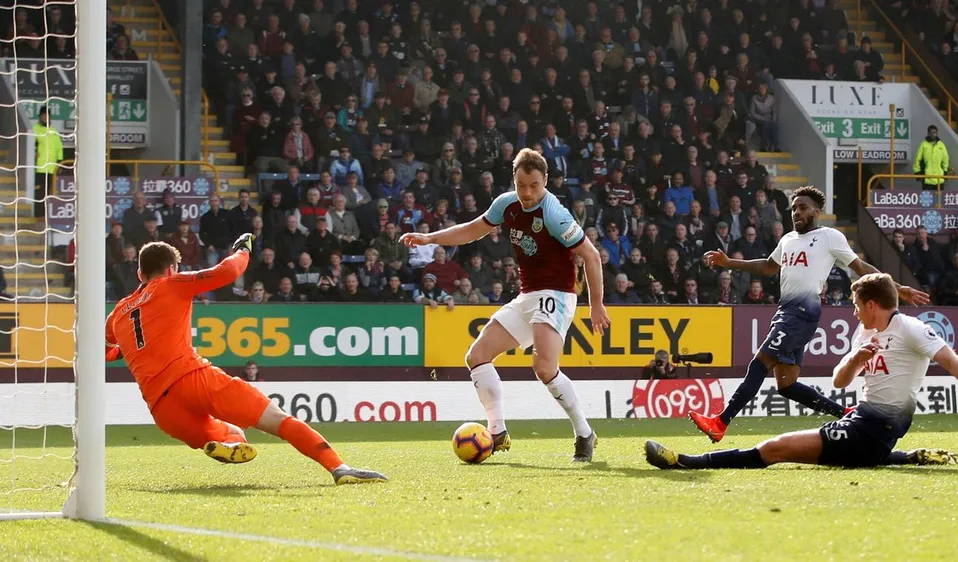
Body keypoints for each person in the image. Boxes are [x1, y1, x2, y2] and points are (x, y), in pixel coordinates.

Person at [104, 235, 386, 485]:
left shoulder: (117, 314)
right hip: (193, 379)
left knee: (231, 434)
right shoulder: (171, 284)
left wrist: (128, 350)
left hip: (162, 408)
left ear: (140, 273)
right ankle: (339, 467)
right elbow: (227, 271)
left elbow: (105, 351)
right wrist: (243, 250)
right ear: (170, 269)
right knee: (278, 420)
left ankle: (228, 446)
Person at [647, 273, 958, 470]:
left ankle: (687, 462)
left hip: (874, 429)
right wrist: (857, 358)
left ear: (871, 305)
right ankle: (906, 456)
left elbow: (951, 359)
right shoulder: (865, 333)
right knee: (825, 450)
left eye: (856, 305)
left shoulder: (910, 329)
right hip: (862, 423)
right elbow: (840, 380)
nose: (853, 312)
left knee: (776, 448)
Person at [400, 148, 610, 462]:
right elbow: (472, 230)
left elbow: (591, 256)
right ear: (514, 180)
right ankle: (497, 432)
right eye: (521, 184)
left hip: (557, 293)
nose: (527, 193)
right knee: (477, 356)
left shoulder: (554, 213)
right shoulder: (505, 204)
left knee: (543, 367)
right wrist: (431, 239)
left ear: (545, 182)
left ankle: (584, 433)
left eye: (534, 185)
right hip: (527, 294)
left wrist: (596, 305)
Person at [690, 186, 930, 443]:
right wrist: (729, 263)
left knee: (759, 364)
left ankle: (721, 422)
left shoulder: (830, 237)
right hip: (787, 311)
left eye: (802, 207)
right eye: (793, 208)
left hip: (801, 312)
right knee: (787, 385)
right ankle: (846, 414)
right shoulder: (788, 239)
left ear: (817, 211)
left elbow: (861, 267)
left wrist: (897, 288)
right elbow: (769, 267)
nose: (796, 212)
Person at [913, 125, 949, 191]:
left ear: (937, 133)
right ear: (928, 133)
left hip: (939, 179)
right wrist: (917, 172)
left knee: (939, 200)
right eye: (931, 133)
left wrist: (945, 171)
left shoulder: (941, 145)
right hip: (927, 179)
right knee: (927, 200)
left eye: (934, 132)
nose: (933, 134)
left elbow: (945, 159)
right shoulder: (923, 144)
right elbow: (917, 159)